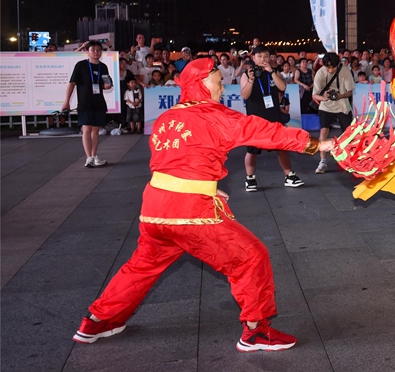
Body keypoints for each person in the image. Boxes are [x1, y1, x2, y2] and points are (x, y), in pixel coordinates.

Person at [72, 58, 334, 351]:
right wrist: (314, 144)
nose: (223, 89)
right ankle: (256, 331)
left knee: (141, 267)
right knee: (250, 257)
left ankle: (96, 321)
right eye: (218, 82)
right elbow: (260, 130)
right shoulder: (213, 115)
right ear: (200, 84)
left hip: (155, 209)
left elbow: (174, 163)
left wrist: (208, 187)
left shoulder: (165, 118)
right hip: (190, 212)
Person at [240, 46, 304, 190]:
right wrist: (251, 80)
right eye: (260, 56)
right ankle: (250, 178)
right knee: (252, 149)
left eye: (266, 56)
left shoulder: (273, 73)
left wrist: (272, 72)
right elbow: (245, 95)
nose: (263, 59)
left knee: (281, 147)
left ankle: (289, 175)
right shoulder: (247, 74)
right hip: (255, 118)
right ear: (253, 57)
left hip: (273, 117)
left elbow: (282, 87)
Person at [63, 41, 112, 167]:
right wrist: (66, 101)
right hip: (85, 102)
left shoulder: (103, 67)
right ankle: (88, 157)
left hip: (98, 102)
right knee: (86, 129)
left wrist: (107, 86)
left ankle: (94, 155)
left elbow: (106, 83)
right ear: (87, 51)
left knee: (95, 130)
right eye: (93, 49)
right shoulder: (81, 65)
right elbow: (72, 84)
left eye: (98, 50)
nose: (96, 52)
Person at [312, 52, 355, 174]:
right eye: (328, 67)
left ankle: (351, 159)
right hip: (326, 106)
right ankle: (322, 161)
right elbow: (314, 94)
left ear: (338, 64)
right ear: (323, 64)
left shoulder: (345, 71)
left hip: (342, 106)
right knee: (323, 132)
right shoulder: (320, 73)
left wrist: (341, 95)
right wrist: (323, 97)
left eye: (333, 67)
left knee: (349, 133)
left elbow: (350, 92)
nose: (330, 70)